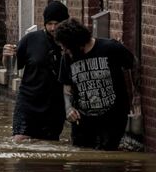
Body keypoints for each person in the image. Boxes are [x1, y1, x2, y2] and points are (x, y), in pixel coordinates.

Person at [55, 18, 137, 150]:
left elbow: (133, 65)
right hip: (82, 119)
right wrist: (68, 108)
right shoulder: (67, 57)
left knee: (107, 158)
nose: (65, 51)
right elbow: (66, 86)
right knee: (81, 160)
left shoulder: (110, 48)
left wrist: (135, 100)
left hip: (113, 117)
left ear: (76, 43)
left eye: (66, 47)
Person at [2, 1, 69, 142]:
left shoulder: (69, 44)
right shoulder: (30, 40)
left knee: (49, 145)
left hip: (54, 106)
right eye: (49, 23)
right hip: (28, 102)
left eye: (57, 23)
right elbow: (11, 68)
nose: (53, 28)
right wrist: (6, 56)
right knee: (20, 140)